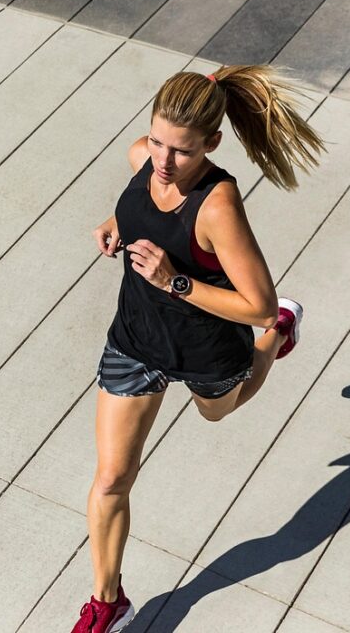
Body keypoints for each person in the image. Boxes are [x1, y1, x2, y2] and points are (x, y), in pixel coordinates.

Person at [71, 66, 326, 633]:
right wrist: (117, 221)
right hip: (137, 338)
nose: (163, 161)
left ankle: (280, 339)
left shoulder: (217, 206)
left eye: (182, 151)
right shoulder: (143, 157)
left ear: (212, 143)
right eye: (158, 141)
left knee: (217, 411)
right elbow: (143, 201)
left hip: (208, 345)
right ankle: (108, 603)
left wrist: (175, 282)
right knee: (111, 479)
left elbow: (257, 304)